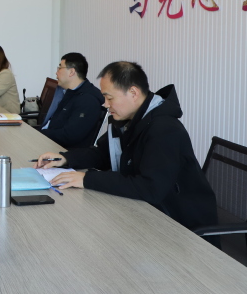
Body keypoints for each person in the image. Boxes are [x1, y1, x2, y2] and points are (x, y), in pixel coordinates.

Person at [35, 61, 217, 231]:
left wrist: (86, 179)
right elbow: (103, 154)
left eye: (109, 98)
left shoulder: (165, 129)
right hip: (141, 211)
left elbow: (150, 188)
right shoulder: (127, 120)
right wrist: (66, 158)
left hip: (179, 224)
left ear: (133, 93)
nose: (105, 104)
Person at [40, 52, 105, 149]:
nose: (56, 72)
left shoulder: (88, 100)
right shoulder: (69, 92)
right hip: (50, 142)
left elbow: (69, 136)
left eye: (60, 68)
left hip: (62, 151)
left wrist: (40, 133)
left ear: (71, 72)